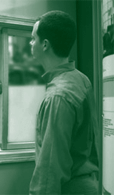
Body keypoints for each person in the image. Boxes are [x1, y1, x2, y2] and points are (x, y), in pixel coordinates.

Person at [29, 10, 99, 195]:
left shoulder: (57, 97)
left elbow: (50, 170)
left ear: (45, 44)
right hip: (89, 185)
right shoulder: (81, 79)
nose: (30, 43)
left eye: (33, 38)